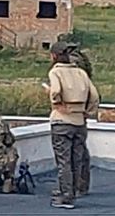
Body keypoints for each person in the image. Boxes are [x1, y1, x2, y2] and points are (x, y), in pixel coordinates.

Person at [46, 41, 100, 209]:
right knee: (77, 159)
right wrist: (87, 111)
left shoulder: (56, 73)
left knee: (64, 161)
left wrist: (57, 102)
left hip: (62, 120)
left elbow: (55, 91)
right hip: (79, 120)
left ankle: (66, 196)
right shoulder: (80, 73)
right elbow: (95, 96)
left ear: (54, 56)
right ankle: (74, 189)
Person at [67, 43, 93, 197]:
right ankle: (80, 185)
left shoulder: (71, 64)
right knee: (80, 151)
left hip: (71, 113)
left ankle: (74, 186)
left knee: (73, 154)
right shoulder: (82, 64)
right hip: (80, 113)